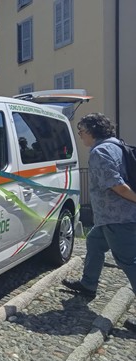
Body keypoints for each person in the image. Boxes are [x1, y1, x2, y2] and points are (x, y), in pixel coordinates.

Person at [61, 113, 136, 332]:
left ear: (91, 131)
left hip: (118, 218)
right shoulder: (118, 146)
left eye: (81, 132)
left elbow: (117, 185)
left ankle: (88, 284)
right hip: (109, 219)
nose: (81, 136)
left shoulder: (100, 151)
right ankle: (88, 284)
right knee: (93, 242)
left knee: (129, 263)